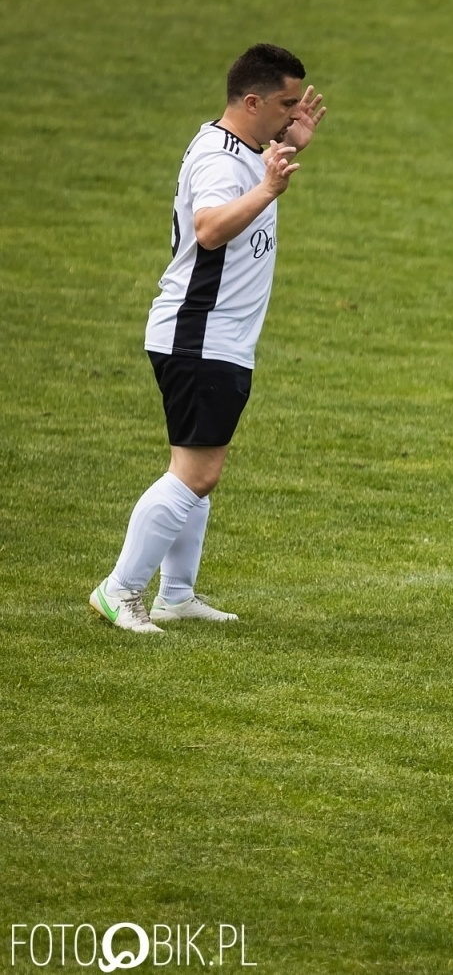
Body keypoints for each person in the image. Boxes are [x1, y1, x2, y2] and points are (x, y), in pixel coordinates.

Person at [89, 44, 327, 632]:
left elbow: (262, 158)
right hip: (199, 335)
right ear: (252, 101)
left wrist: (293, 144)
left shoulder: (242, 146)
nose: (294, 114)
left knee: (197, 466)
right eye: (285, 104)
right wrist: (270, 189)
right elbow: (210, 229)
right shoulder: (222, 161)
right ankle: (118, 590)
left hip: (214, 337)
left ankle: (177, 594)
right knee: (197, 473)